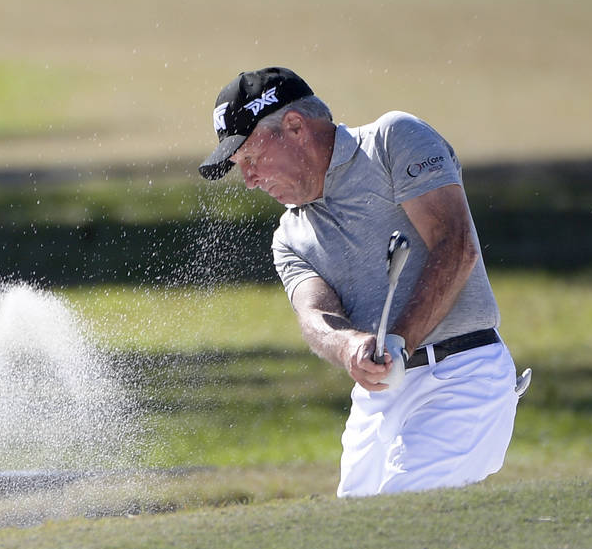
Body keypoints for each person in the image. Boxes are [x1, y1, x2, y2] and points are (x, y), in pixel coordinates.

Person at [199, 67, 524, 497]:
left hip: (461, 374)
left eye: (252, 159)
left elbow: (456, 246)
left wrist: (399, 339)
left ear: (295, 127)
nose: (251, 179)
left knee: (402, 518)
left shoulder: (394, 141)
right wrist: (349, 346)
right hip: (379, 398)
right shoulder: (289, 237)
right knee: (358, 539)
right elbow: (316, 314)